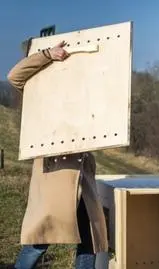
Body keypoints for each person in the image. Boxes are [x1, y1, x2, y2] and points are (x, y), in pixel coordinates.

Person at [7, 41, 108, 269]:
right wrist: (47, 55)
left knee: (89, 239)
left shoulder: (84, 92)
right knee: (40, 238)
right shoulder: (41, 87)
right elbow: (14, 76)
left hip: (83, 173)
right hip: (55, 170)